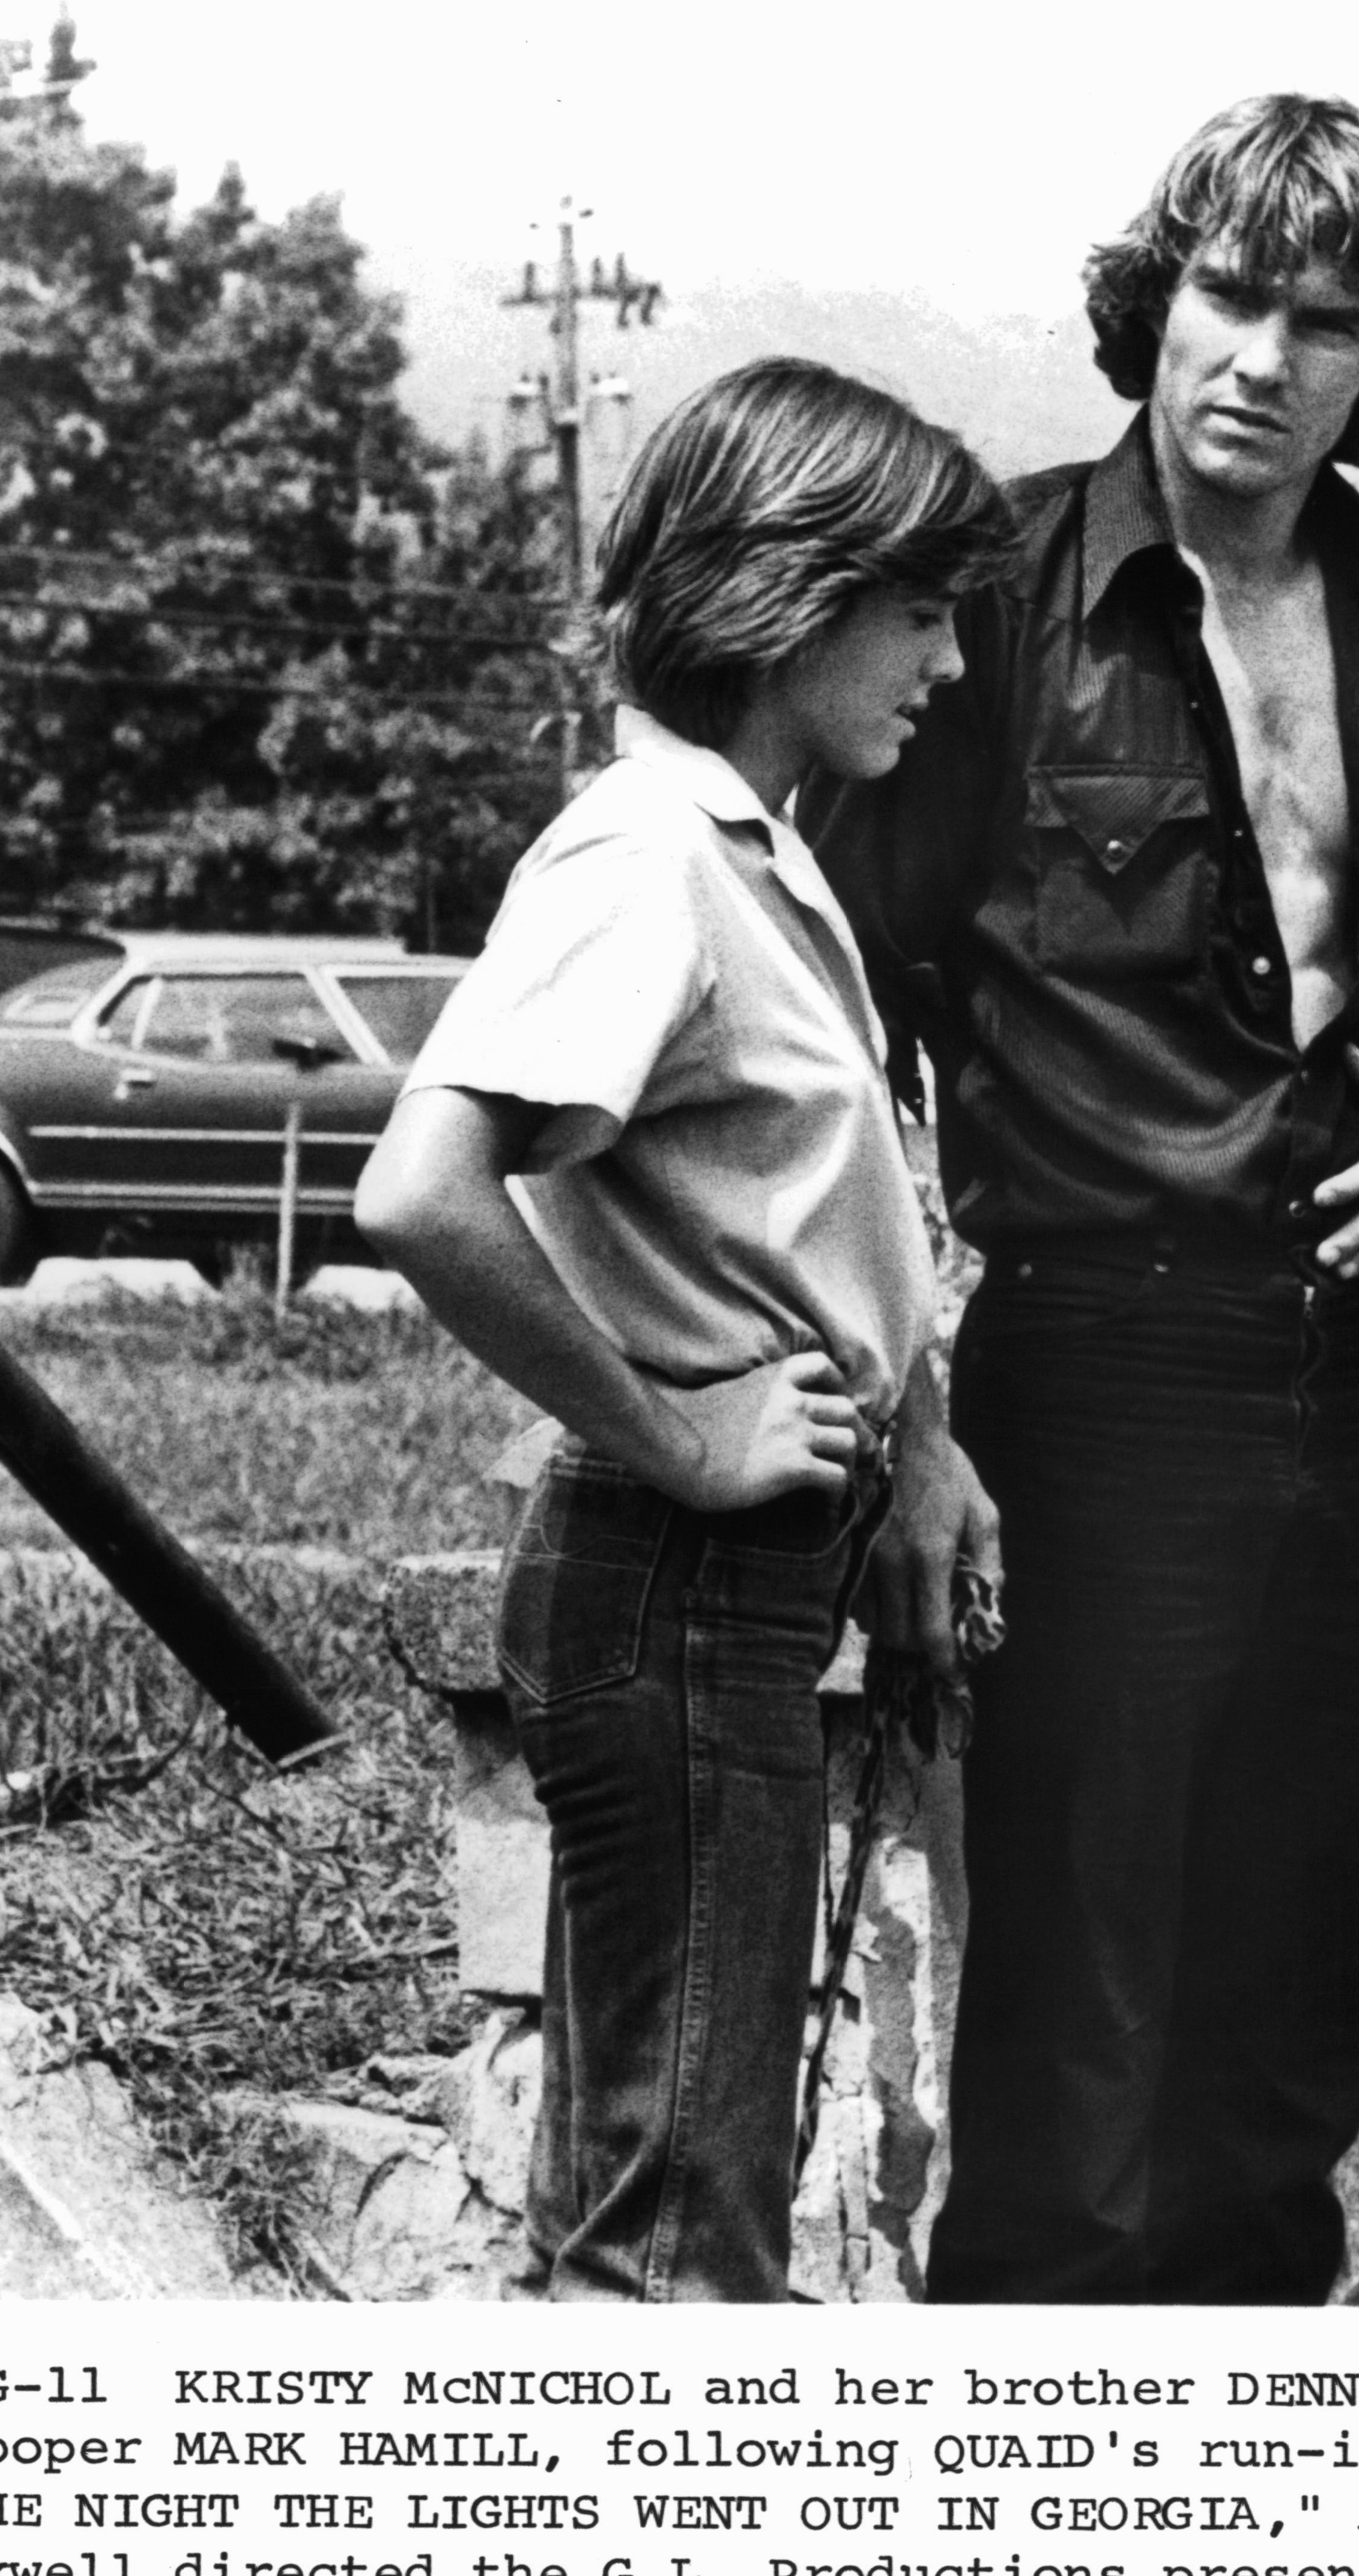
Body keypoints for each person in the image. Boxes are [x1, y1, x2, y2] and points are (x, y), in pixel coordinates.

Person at [811, 95, 1359, 2306]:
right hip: (1091, 1362)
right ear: (1150, 298)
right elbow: (840, 1036)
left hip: (1346, 1360)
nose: (1260, 361)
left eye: (1325, 322)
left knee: (1288, 2017)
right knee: (1075, 2052)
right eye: (1225, 296)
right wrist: (911, 1424)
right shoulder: (995, 601)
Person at [356, 361, 1015, 2302]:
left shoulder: (758, 850)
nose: (951, 663)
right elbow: (420, 1190)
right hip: (675, 1576)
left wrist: (922, 1443)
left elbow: (801, 1227)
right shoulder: (644, 851)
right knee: (671, 2244)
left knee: (680, 2195)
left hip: (730, 1589)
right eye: (918, 608)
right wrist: (682, 1428)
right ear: (786, 594)